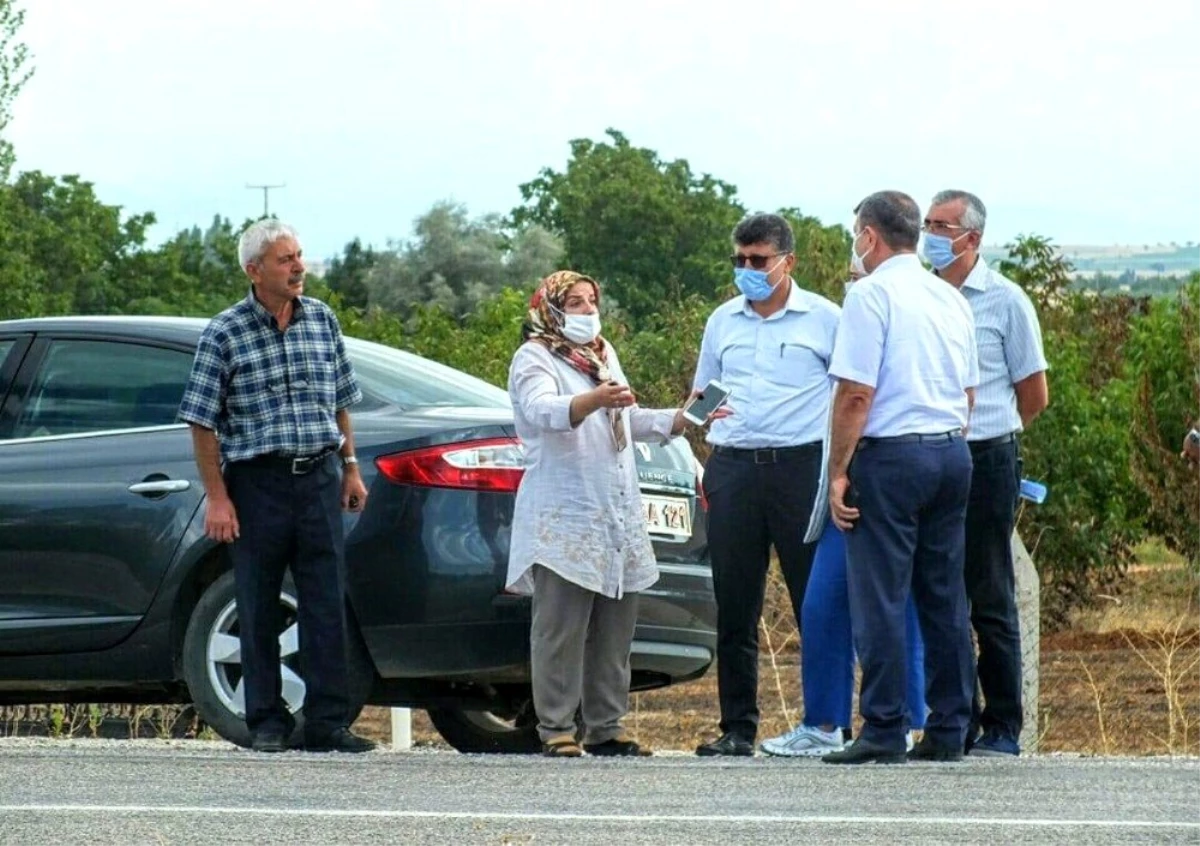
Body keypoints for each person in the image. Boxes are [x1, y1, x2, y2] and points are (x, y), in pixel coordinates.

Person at [506, 270, 725, 758]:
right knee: (560, 628)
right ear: (552, 309)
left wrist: (679, 417)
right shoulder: (534, 357)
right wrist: (593, 399)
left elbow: (624, 417)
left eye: (591, 301)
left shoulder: (601, 356)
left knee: (614, 627)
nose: (588, 311)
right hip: (565, 512)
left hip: (615, 511)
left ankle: (606, 726)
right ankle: (557, 727)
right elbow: (543, 411)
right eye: (576, 303)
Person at [177, 219, 375, 754]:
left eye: (300, 256)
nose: (299, 267)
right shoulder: (224, 332)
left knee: (325, 601)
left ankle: (329, 722)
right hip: (257, 483)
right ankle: (266, 720)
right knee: (258, 603)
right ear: (254, 269)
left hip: (318, 476)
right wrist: (218, 498)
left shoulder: (322, 321)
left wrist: (350, 466)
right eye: (286, 259)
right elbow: (202, 421)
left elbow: (341, 402)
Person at [820, 190, 979, 765]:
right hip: (950, 452)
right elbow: (968, 392)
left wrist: (839, 471)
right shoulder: (949, 296)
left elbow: (856, 393)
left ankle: (884, 726)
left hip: (891, 457)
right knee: (944, 596)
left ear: (869, 235)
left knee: (880, 596)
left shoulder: (870, 295)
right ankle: (950, 725)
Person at [761, 263, 928, 758]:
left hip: (878, 471)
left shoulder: (897, 312)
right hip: (860, 478)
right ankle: (827, 722)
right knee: (826, 604)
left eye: (860, 268)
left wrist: (840, 470)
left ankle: (901, 721)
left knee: (895, 606)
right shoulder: (868, 315)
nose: (852, 280)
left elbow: (857, 398)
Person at [691, 213, 841, 757]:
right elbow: (702, 392)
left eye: (759, 261)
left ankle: (825, 724)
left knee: (815, 601)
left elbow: (851, 395)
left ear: (787, 262)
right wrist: (692, 421)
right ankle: (737, 728)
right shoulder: (723, 321)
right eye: (740, 260)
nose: (748, 270)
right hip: (732, 467)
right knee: (734, 603)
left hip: (800, 468)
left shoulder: (825, 319)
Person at [922, 190, 1050, 757]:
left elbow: (1034, 394)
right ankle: (956, 718)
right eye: (927, 223)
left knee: (989, 590)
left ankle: (1003, 724)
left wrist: (990, 432)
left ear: (972, 238)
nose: (930, 233)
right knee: (938, 588)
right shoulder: (920, 295)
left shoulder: (1005, 300)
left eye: (942, 226)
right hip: (933, 455)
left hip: (988, 456)